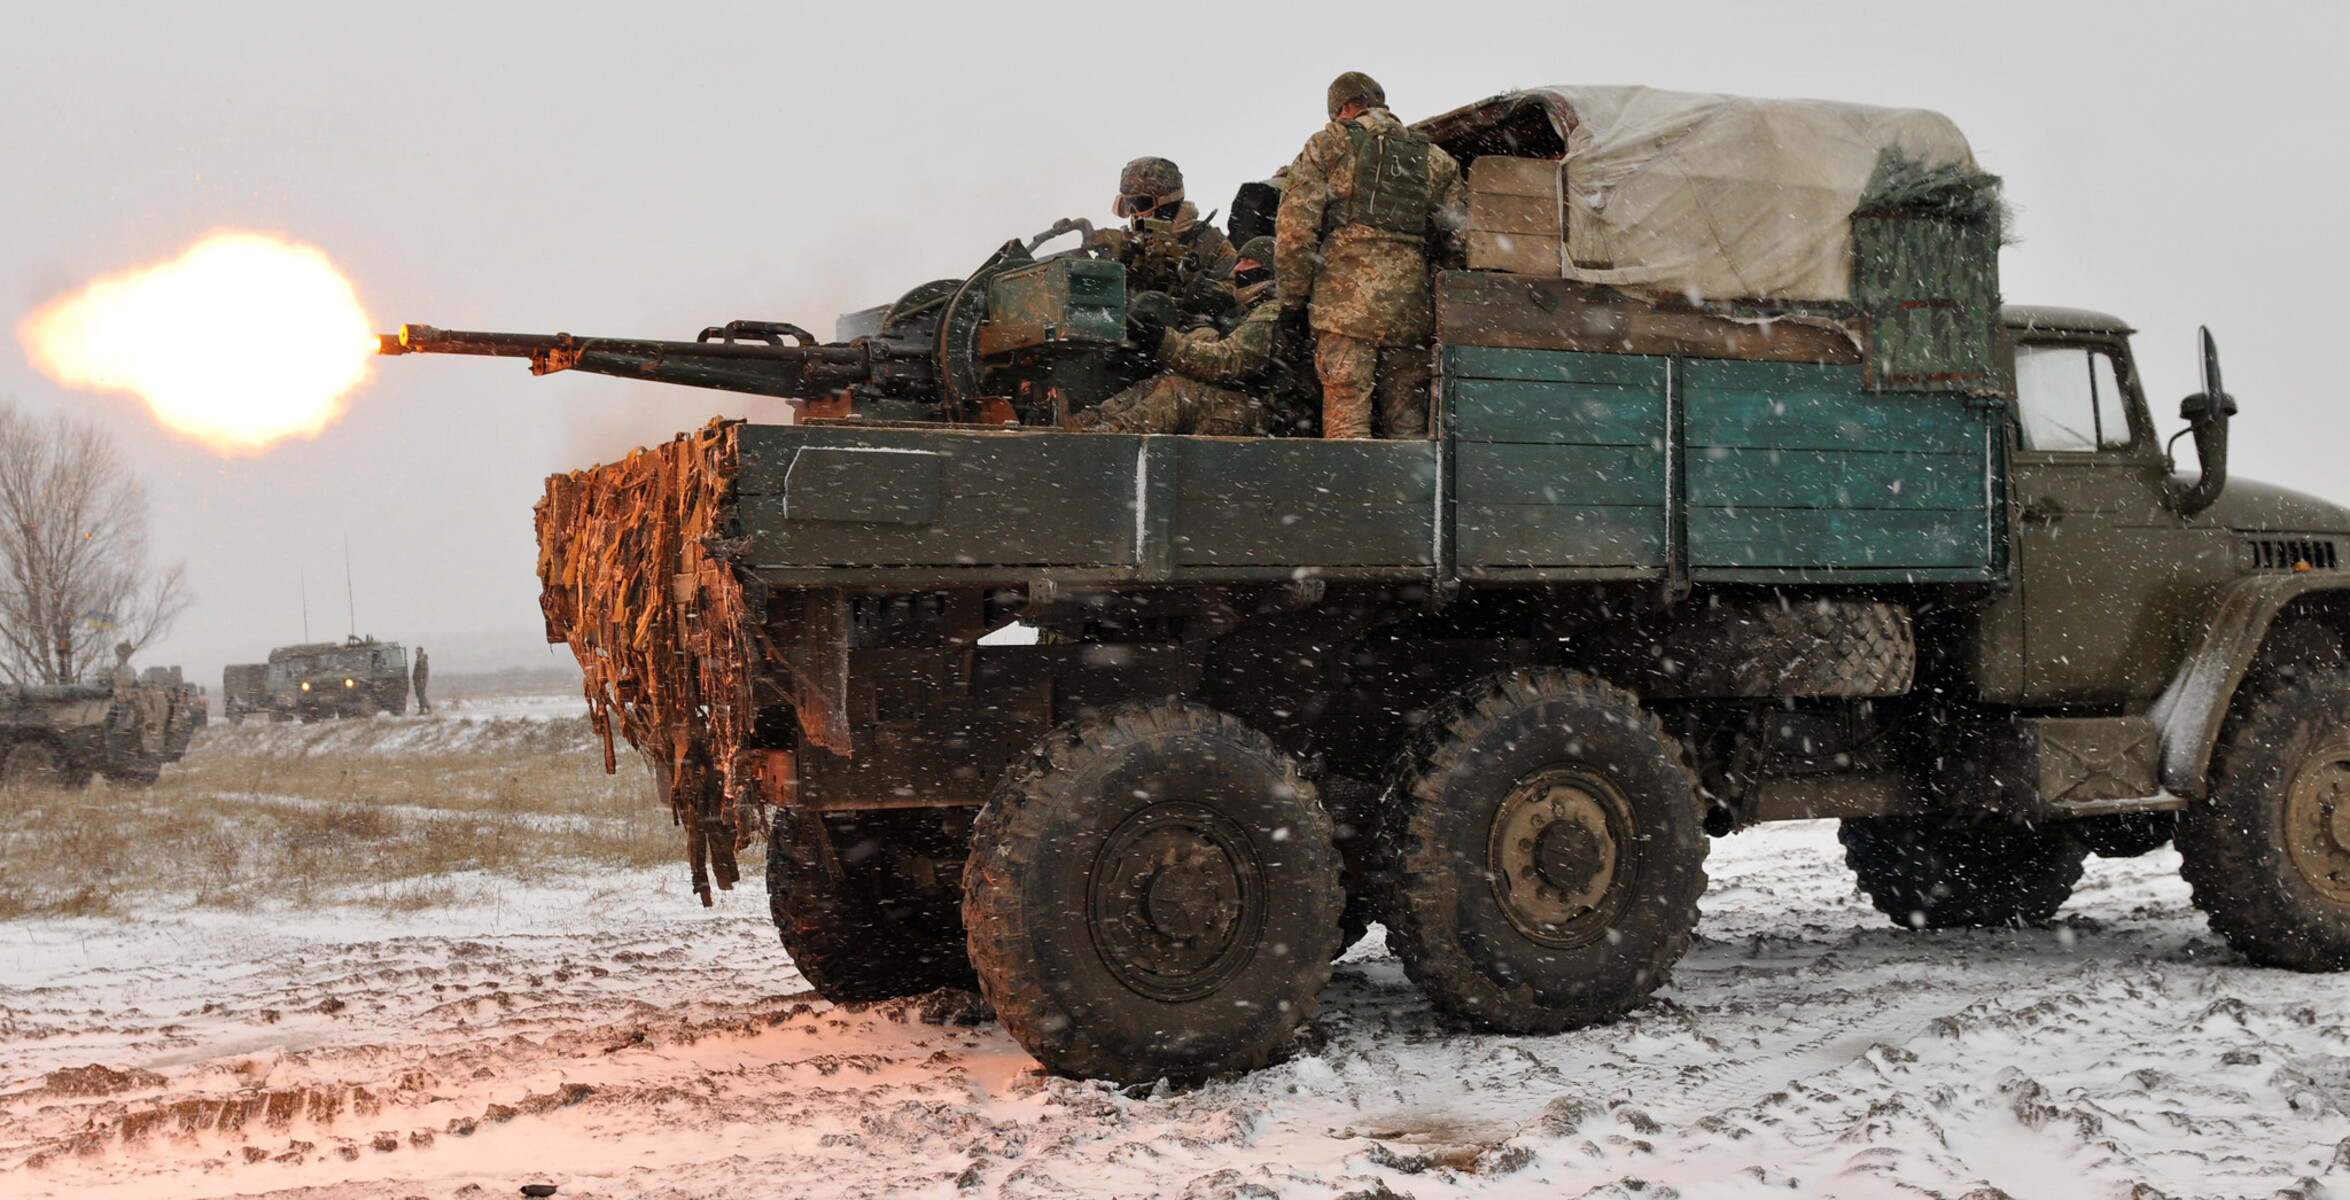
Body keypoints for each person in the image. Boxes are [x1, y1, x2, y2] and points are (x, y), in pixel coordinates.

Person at [1275, 71, 1465, 440]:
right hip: (1412, 310)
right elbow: (1458, 240)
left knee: (1347, 413)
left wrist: (1292, 302)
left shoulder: (1327, 145)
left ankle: (1351, 493)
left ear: (1344, 108)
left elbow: (1295, 233)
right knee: (1408, 419)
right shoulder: (1436, 158)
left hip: (1344, 305)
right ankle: (1412, 494)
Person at [1071, 237, 1290, 436]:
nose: (1238, 269)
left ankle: (1107, 439)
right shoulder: (1248, 311)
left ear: (1272, 270)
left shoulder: (1274, 311)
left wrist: (1162, 340)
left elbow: (1226, 362)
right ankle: (1086, 422)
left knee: (1177, 393)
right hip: (1243, 401)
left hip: (1264, 414)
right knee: (1151, 385)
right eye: (1239, 261)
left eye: (1249, 263)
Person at [1095, 157, 1237, 320]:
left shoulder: (1211, 242)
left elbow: (1234, 293)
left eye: (1141, 203)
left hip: (1188, 332)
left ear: (1168, 203)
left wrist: (1196, 287)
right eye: (1128, 204)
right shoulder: (1126, 242)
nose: (1134, 212)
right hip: (1131, 326)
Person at [412, 647, 430, 716]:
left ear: (421, 651)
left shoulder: (422, 660)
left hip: (420, 681)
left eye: (418, 651)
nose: (416, 652)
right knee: (419, 695)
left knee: (421, 695)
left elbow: (423, 670)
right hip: (418, 680)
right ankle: (423, 709)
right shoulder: (419, 659)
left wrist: (422, 679)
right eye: (416, 651)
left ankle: (426, 708)